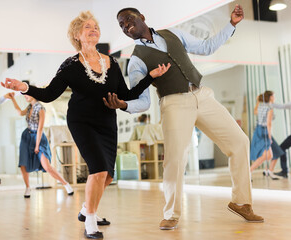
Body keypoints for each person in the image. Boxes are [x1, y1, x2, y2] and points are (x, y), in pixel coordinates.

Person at [1, 11, 169, 239]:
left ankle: (85, 211)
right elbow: (49, 94)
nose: (93, 30)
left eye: (95, 27)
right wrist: (24, 87)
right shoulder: (70, 65)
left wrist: (150, 77)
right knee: (98, 169)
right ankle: (90, 220)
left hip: (107, 122)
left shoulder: (111, 63)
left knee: (108, 175)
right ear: (77, 35)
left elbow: (126, 94)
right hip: (82, 122)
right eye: (87, 27)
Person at [104, 5, 264, 229]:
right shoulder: (136, 60)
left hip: (202, 95)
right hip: (173, 103)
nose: (125, 26)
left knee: (240, 142)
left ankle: (242, 203)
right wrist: (124, 104)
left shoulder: (174, 33)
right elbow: (144, 101)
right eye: (121, 25)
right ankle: (171, 213)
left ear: (141, 17)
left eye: (128, 20)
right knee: (175, 159)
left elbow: (207, 47)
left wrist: (231, 25)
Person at [9, 93, 74, 197]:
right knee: (23, 165)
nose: (25, 96)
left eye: (27, 94)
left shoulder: (41, 108)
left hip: (38, 138)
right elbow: (20, 112)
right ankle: (28, 188)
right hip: (27, 137)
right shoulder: (30, 106)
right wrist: (12, 99)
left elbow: (40, 128)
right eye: (24, 95)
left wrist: (37, 145)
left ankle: (66, 184)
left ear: (34, 95)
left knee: (46, 166)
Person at [250, 91, 284, 179]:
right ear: (270, 97)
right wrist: (269, 137)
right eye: (274, 96)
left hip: (258, 130)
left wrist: (258, 101)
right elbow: (268, 123)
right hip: (264, 131)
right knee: (268, 155)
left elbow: (255, 112)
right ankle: (249, 171)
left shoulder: (261, 106)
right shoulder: (269, 108)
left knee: (269, 155)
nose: (275, 98)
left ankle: (249, 171)